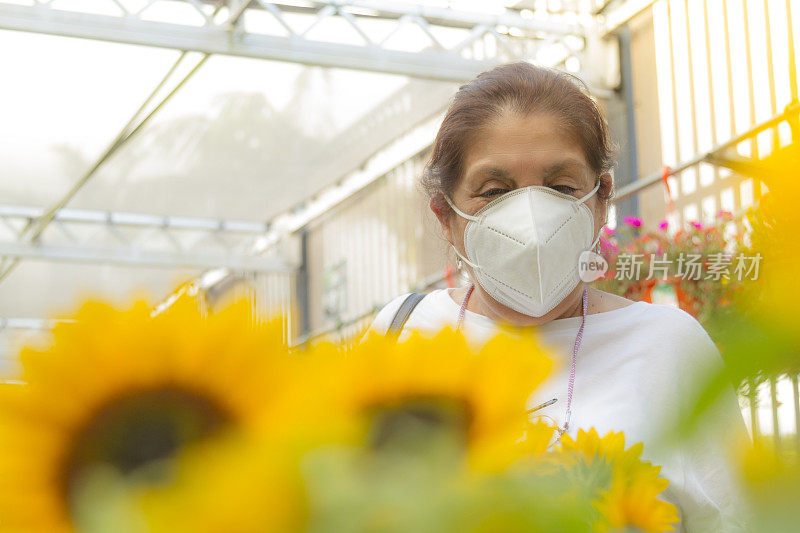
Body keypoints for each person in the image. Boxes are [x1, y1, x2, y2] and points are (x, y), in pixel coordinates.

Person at [367, 62, 749, 532]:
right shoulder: (402, 333)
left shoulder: (667, 346)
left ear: (601, 199)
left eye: (560, 187)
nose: (532, 218)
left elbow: (735, 519)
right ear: (445, 215)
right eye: (494, 190)